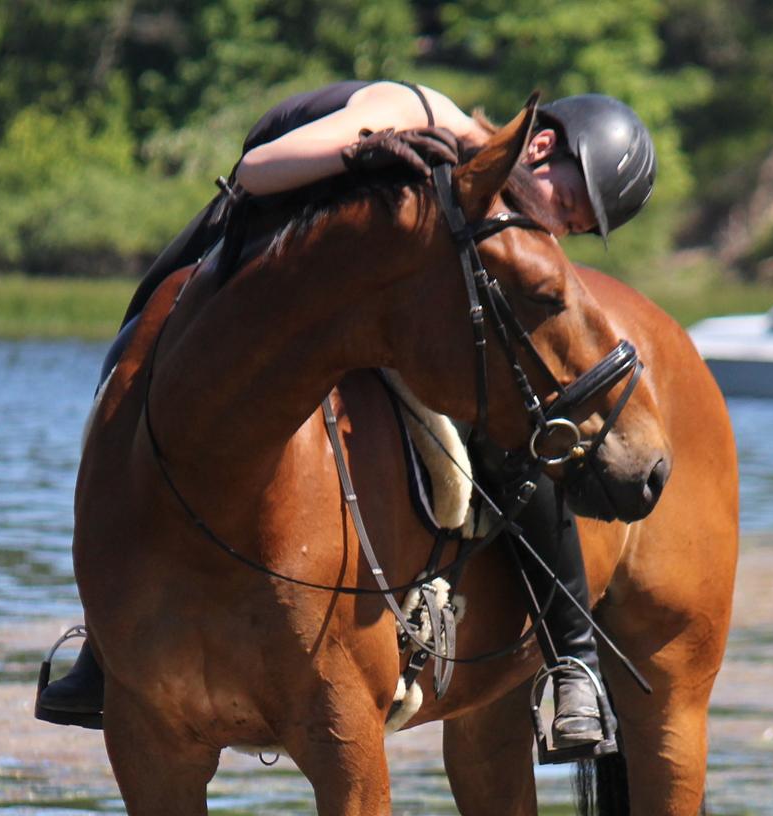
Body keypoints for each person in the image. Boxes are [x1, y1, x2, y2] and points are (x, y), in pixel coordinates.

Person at [36, 80, 656, 757]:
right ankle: (107, 643)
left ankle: (573, 662)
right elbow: (257, 170)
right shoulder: (417, 113)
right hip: (243, 269)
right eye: (569, 203)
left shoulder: (480, 205)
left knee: (511, 428)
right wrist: (365, 155)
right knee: (128, 377)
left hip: (354, 307)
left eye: (577, 228)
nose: (561, 228)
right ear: (539, 148)